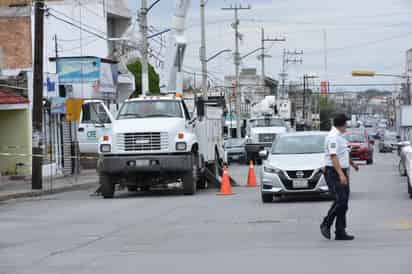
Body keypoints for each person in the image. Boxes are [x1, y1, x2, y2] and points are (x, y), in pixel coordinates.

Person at [320, 114, 359, 241]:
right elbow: (333, 157)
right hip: (333, 172)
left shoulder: (341, 137)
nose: (347, 126)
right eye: (346, 123)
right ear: (342, 124)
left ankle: (340, 231)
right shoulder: (333, 137)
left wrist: (352, 164)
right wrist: (341, 174)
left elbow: (343, 153)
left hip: (342, 170)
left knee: (344, 203)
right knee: (340, 200)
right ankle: (326, 223)